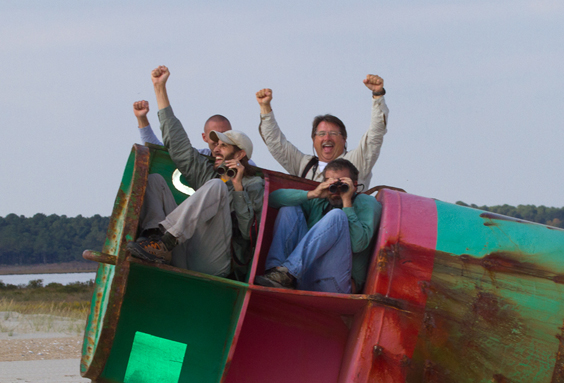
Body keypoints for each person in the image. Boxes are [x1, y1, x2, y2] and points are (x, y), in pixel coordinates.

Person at [127, 65, 264, 280]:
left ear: (239, 155)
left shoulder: (254, 183)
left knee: (218, 186)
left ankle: (165, 241)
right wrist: (160, 89)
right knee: (155, 181)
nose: (216, 149)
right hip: (184, 251)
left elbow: (249, 234)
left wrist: (237, 188)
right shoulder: (209, 173)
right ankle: (154, 240)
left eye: (223, 145)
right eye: (215, 143)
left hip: (215, 262)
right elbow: (179, 147)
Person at [255, 158, 382, 294]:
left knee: (337, 216)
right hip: (304, 276)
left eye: (342, 183)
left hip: (335, 285)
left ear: (354, 184)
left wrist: (347, 201)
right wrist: (313, 194)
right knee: (289, 209)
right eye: (331, 182)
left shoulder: (367, 203)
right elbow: (273, 200)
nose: (336, 190)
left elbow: (358, 245)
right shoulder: (321, 200)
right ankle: (276, 274)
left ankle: (288, 272)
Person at [256, 74, 389, 190]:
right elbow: (276, 143)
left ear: (344, 139)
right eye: (321, 134)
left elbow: (375, 135)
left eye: (333, 133)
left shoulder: (356, 161)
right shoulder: (304, 165)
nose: (327, 138)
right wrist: (265, 107)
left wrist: (378, 96)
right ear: (313, 140)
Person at [133, 100, 231, 157]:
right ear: (204, 137)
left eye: (223, 135)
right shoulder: (200, 158)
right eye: (214, 135)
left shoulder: (243, 160)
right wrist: (141, 118)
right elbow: (159, 150)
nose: (219, 140)